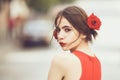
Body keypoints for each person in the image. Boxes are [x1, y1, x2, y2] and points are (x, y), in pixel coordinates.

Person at [48, 6, 102, 80]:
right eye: (58, 30)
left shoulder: (61, 61)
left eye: (67, 30)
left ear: (84, 32)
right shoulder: (96, 62)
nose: (60, 36)